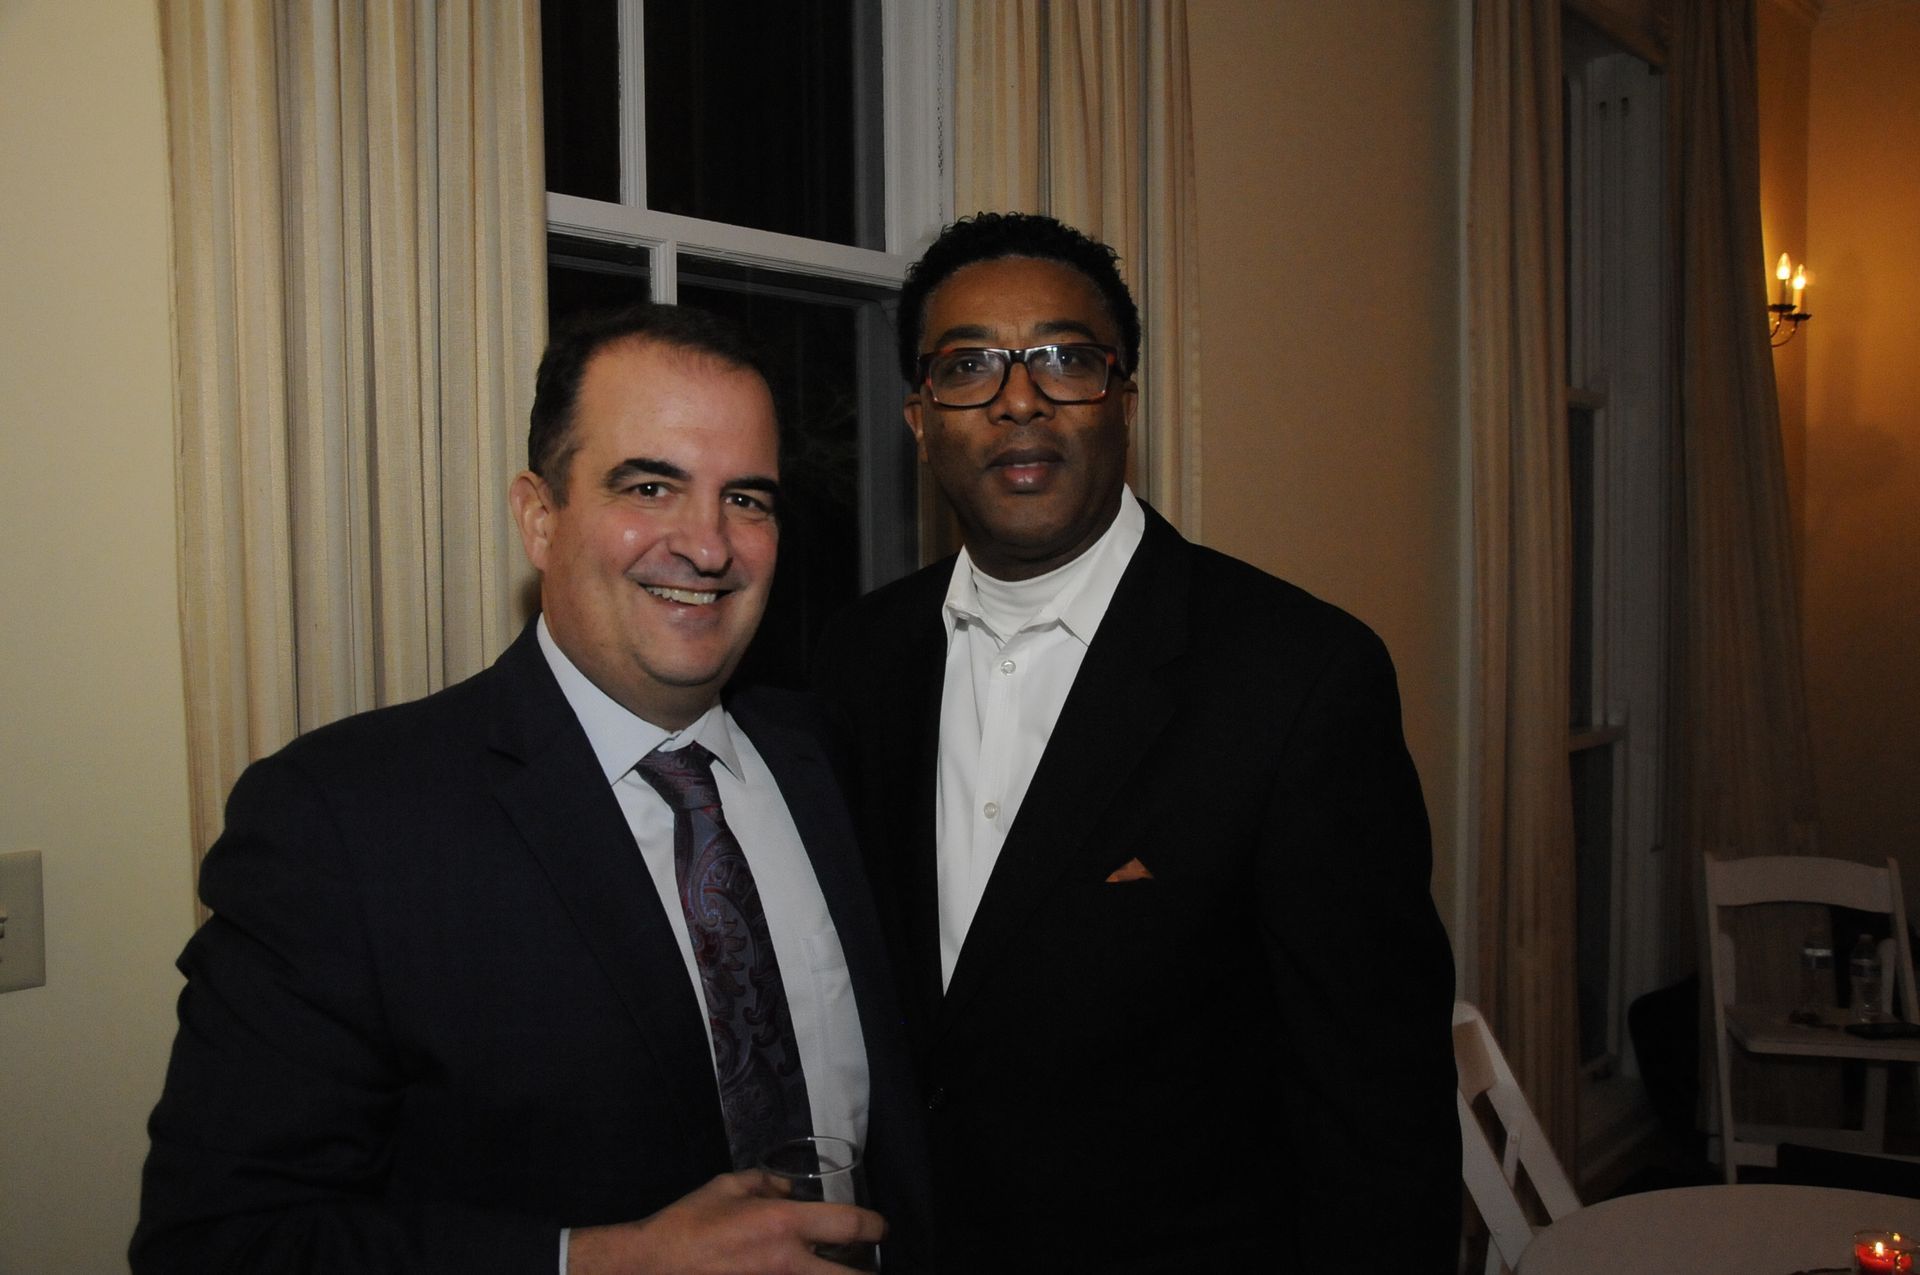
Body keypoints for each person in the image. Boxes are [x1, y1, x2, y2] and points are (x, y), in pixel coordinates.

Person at [134, 304, 929, 1274]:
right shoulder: (343, 824)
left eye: (748, 499)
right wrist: (597, 1262)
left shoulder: (830, 760)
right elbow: (216, 1244)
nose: (710, 546)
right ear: (540, 517)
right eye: (650, 484)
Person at [815, 212, 1460, 1272]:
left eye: (1066, 359)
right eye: (970, 365)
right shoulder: (857, 658)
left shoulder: (1297, 678)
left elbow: (1375, 1112)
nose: (1019, 398)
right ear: (921, 420)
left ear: (1123, 400)